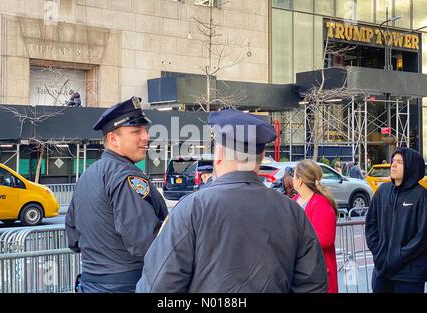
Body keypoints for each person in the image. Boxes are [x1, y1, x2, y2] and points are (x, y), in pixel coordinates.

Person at [136, 109, 328, 293]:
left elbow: (158, 285)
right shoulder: (292, 211)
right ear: (260, 158)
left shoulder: (191, 209)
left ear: (218, 156)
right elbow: (312, 283)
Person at [65, 96, 168, 293]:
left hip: (90, 284)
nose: (145, 136)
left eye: (145, 130)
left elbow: (73, 239)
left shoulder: (88, 174)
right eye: (136, 131)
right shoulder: (126, 177)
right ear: (113, 139)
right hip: (127, 285)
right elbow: (146, 242)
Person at [365, 147, 427, 293]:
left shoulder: (421, 196)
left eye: (399, 162)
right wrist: (378, 252)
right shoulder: (383, 191)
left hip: (409, 275)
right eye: (393, 161)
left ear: (411, 166)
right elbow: (371, 225)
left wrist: (398, 256)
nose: (393, 165)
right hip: (382, 271)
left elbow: (422, 236)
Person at [292, 159, 338, 293]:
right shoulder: (295, 201)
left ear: (300, 180)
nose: (292, 178)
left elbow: (324, 239)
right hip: (301, 272)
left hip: (318, 274)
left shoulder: (321, 204)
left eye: (294, 175)